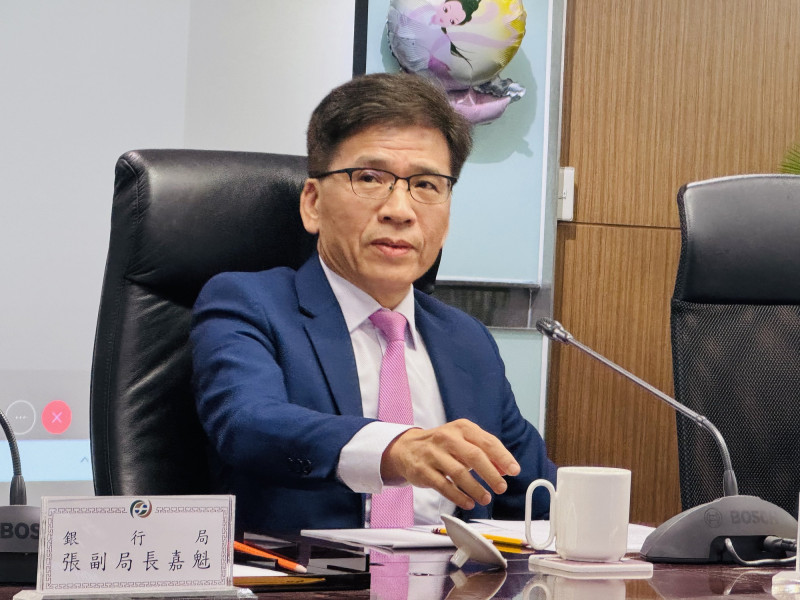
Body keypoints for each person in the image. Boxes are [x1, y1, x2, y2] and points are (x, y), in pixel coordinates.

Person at [190, 72, 556, 534]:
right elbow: (248, 424)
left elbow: (534, 491)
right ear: (313, 203)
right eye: (369, 177)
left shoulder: (467, 341)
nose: (400, 210)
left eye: (426, 185)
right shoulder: (250, 305)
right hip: (308, 572)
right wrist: (395, 449)